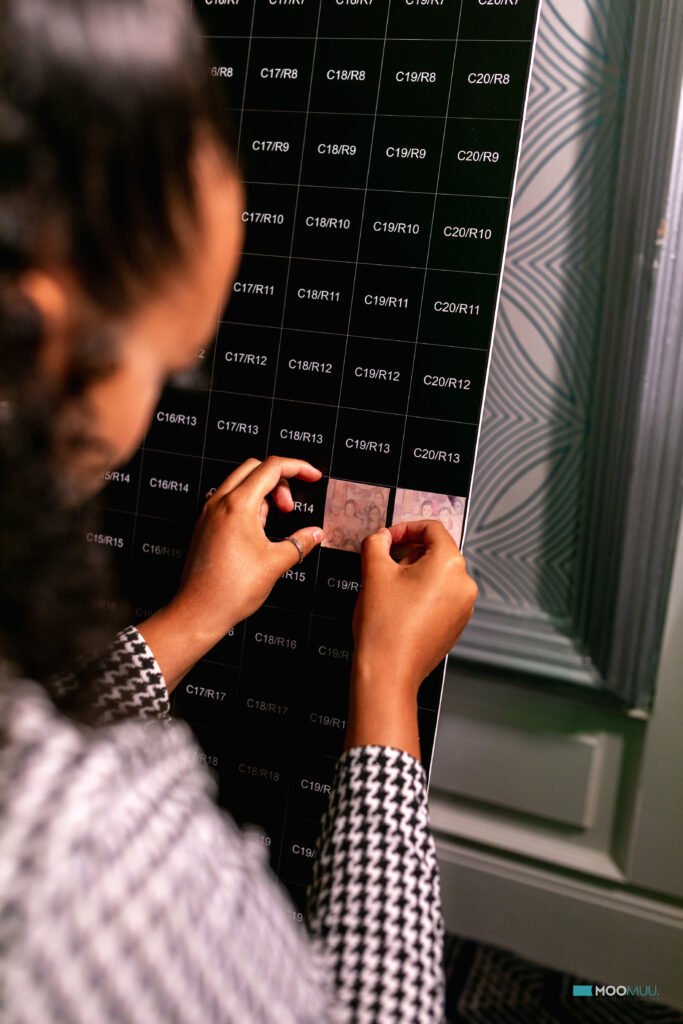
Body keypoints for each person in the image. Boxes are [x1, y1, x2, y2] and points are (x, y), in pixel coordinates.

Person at [0, 2, 478, 1022]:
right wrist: (386, 691)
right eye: (165, 364)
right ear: (36, 335)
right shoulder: (81, 853)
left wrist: (192, 619)